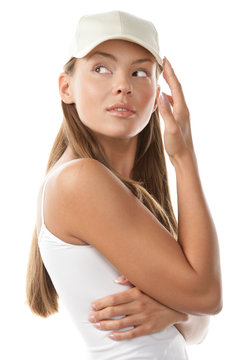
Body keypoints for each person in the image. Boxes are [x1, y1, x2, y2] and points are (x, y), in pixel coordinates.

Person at [26, 10, 222, 359]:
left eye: (139, 72)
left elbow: (201, 321)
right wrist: (184, 157)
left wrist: (177, 310)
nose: (122, 85)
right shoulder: (80, 180)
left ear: (157, 91)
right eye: (101, 68)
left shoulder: (118, 188)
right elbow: (207, 295)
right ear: (66, 87)